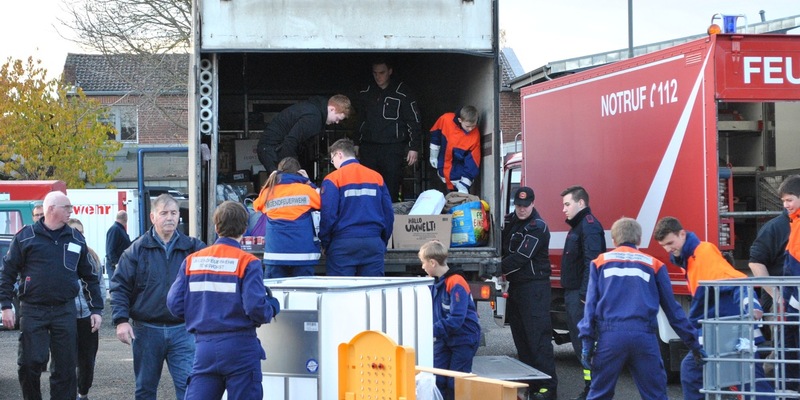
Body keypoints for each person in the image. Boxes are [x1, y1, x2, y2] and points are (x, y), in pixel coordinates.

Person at [578, 217, 704, 400]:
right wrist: (693, 343)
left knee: (599, 393)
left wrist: (586, 343)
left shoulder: (599, 263)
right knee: (655, 395)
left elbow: (590, 307)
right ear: (639, 240)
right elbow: (673, 310)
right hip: (644, 338)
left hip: (611, 337)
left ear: (613, 240)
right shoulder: (655, 264)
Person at [167, 201, 281, 400]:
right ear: (245, 228)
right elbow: (255, 307)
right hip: (240, 347)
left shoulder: (192, 261)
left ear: (216, 226)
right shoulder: (248, 262)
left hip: (204, 347)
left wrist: (200, 312)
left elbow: (174, 304)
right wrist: (271, 307)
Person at [654, 216, 773, 400]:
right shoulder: (692, 256)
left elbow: (735, 281)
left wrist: (751, 305)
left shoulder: (702, 254)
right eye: (664, 246)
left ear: (682, 234)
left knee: (695, 371)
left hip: (727, 329)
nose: (669, 249)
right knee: (750, 380)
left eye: (671, 243)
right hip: (727, 327)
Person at [0, 191, 103, 400]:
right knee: (30, 363)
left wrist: (96, 309)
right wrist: (5, 306)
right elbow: (8, 272)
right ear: (51, 209)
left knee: (65, 367)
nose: (71, 211)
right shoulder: (25, 237)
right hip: (32, 309)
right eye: (67, 207)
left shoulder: (75, 238)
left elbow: (89, 276)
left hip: (64, 310)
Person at [110, 194, 206, 400]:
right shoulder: (136, 250)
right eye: (164, 213)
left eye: (173, 213)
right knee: (145, 390)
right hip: (146, 331)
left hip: (183, 330)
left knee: (189, 386)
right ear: (153, 217)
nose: (170, 218)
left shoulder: (193, 248)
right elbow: (119, 287)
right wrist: (120, 321)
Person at [501, 186, 557, 400]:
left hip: (535, 289)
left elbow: (521, 257)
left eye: (525, 206)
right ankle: (531, 383)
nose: (522, 209)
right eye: (518, 205)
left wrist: (494, 269)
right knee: (522, 339)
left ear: (533, 204)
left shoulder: (538, 227)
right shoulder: (511, 221)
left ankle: (548, 388)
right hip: (518, 288)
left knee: (538, 340)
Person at [318, 138, 394, 276]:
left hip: (343, 244)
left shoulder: (333, 179)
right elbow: (388, 214)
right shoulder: (376, 177)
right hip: (373, 243)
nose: (333, 163)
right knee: (371, 293)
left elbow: (328, 215)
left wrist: (326, 242)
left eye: (332, 159)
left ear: (339, 154)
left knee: (341, 293)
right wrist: (382, 241)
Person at [559, 185, 606, 400]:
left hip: (581, 297)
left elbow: (593, 263)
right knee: (581, 345)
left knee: (587, 345)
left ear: (581, 203)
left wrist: (585, 296)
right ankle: (591, 387)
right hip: (575, 294)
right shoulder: (578, 226)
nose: (564, 209)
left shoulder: (588, 227)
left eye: (567, 204)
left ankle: (594, 389)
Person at [418, 240, 481, 400]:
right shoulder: (436, 282)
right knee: (437, 379)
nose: (422, 267)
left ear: (432, 262)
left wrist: (428, 330)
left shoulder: (455, 282)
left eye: (423, 263)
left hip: (463, 338)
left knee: (456, 383)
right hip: (445, 338)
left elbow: (456, 319)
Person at [357, 58, 422, 201]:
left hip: (393, 147)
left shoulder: (403, 93)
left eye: (382, 72)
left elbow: (414, 120)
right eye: (375, 73)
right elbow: (359, 119)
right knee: (367, 185)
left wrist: (414, 147)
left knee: (392, 184)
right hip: (369, 146)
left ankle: (391, 218)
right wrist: (356, 143)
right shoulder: (366, 92)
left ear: (390, 72)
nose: (378, 76)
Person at [252, 157, 321, 278]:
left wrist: (270, 181)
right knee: (304, 294)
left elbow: (256, 206)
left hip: (275, 254)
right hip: (302, 255)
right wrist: (309, 182)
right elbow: (323, 202)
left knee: (275, 293)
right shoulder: (307, 190)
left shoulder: (269, 191)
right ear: (298, 172)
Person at [257, 94, 351, 175]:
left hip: (271, 148)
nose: (337, 122)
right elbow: (290, 142)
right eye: (338, 118)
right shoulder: (313, 118)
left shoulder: (313, 109)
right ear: (332, 109)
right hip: (273, 150)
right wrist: (294, 169)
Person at [67, 218, 105, 400]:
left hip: (87, 317)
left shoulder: (92, 257)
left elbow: (99, 287)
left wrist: (97, 311)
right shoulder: (61, 256)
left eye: (81, 232)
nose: (78, 235)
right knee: (66, 360)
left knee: (87, 361)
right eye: (74, 231)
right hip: (65, 317)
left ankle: (83, 392)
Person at [778, 175, 800, 391]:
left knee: (792, 347)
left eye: (789, 199)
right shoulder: (794, 222)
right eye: (783, 201)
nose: (785, 205)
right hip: (792, 299)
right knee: (789, 347)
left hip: (795, 300)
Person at [429, 106, 481, 194]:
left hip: (458, 178)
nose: (470, 129)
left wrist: (464, 185)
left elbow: (473, 162)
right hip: (442, 172)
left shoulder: (475, 136)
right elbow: (435, 135)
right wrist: (433, 154)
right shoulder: (445, 119)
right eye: (468, 126)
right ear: (460, 120)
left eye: (473, 126)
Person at [105, 210, 132, 279]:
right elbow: (110, 250)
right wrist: (116, 264)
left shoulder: (118, 229)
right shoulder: (115, 229)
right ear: (126, 219)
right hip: (115, 267)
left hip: (119, 266)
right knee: (116, 287)